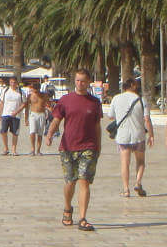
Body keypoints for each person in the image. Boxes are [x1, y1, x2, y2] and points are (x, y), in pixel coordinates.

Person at [46, 68, 102, 231]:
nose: (80, 83)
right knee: (70, 181)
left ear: (88, 82)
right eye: (77, 80)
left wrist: (98, 146)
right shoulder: (65, 100)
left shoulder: (94, 102)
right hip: (68, 147)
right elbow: (56, 120)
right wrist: (49, 134)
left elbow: (97, 125)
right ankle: (67, 208)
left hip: (88, 147)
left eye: (83, 81)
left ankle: (83, 218)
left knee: (84, 181)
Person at [108, 78, 154, 197]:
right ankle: (138, 183)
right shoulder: (141, 99)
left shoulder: (116, 98)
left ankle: (126, 189)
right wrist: (151, 135)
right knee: (141, 161)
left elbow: (111, 116)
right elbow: (147, 119)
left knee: (125, 163)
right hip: (139, 135)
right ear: (133, 86)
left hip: (123, 136)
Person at [14, 81, 48, 156]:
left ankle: (38, 150)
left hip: (41, 114)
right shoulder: (30, 96)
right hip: (33, 114)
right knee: (32, 132)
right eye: (33, 89)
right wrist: (26, 119)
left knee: (40, 133)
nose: (35, 90)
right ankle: (32, 149)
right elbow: (26, 107)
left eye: (36, 89)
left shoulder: (44, 95)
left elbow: (48, 105)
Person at [0, 76, 27, 156]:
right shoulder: (5, 90)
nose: (13, 84)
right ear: (9, 83)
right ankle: (6, 148)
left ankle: (14, 150)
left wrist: (17, 111)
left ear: (17, 83)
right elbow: (1, 102)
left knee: (15, 133)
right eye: (11, 82)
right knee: (3, 131)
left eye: (14, 82)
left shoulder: (21, 92)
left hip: (16, 115)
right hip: (5, 114)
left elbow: (24, 104)